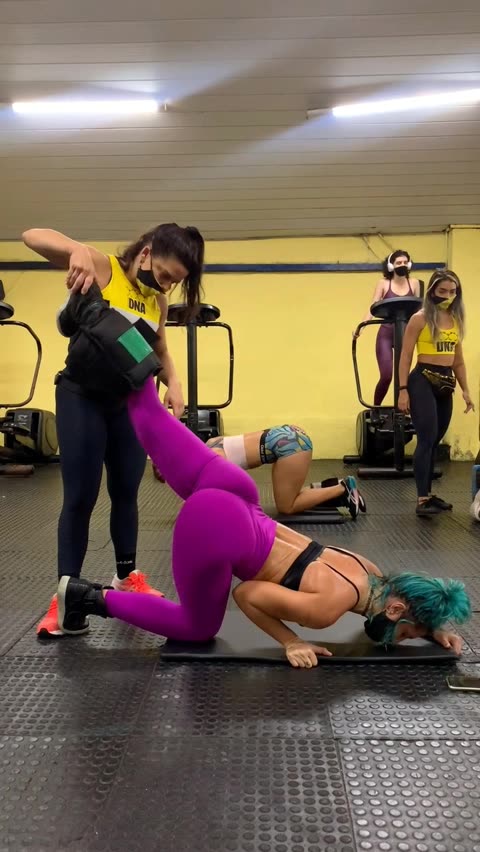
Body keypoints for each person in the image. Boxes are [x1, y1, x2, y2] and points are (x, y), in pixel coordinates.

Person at [56, 376, 470, 668]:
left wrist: (432, 630)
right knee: (197, 627)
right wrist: (290, 641)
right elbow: (248, 594)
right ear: (396, 609)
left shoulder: (371, 572)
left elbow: (392, 610)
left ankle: (129, 336)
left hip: (236, 490)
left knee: (147, 407)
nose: (399, 640)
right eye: (405, 634)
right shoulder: (328, 609)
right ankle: (85, 597)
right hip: (216, 528)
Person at [22, 223, 204, 637]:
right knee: (80, 497)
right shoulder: (103, 267)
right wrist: (77, 249)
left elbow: (159, 347)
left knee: (126, 492)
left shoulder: (157, 301)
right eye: (164, 274)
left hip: (126, 405)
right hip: (81, 397)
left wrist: (174, 382)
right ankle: (65, 596)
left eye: (174, 282)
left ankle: (126, 577)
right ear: (146, 253)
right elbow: (32, 236)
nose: (166, 285)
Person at [398, 269, 474, 516]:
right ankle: (422, 499)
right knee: (426, 437)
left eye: (452, 292)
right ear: (431, 291)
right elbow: (405, 356)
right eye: (442, 291)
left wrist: (466, 390)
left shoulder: (456, 320)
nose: (447, 296)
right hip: (422, 379)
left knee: (435, 440)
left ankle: (429, 494)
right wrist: (402, 390)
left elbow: (458, 361)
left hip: (445, 381)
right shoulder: (419, 319)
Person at [203, 427, 366, 519]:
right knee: (287, 495)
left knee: (286, 507)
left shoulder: (215, 458)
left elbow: (238, 487)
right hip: (285, 435)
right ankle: (324, 487)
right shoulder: (211, 442)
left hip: (290, 447)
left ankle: (343, 488)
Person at [355, 250, 421, 406]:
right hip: (386, 332)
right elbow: (373, 306)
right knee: (386, 375)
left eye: (405, 262)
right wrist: (361, 327)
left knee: (404, 378)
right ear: (391, 266)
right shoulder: (384, 284)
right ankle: (376, 408)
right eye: (398, 263)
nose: (402, 265)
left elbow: (419, 309)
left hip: (405, 332)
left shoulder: (414, 283)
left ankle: (403, 408)